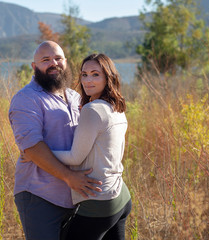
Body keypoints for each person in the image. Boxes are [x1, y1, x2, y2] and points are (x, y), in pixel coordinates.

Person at [8, 41, 102, 240]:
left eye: (58, 58)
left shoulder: (75, 97)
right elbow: (32, 147)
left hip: (75, 195)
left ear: (66, 62)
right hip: (39, 195)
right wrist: (69, 177)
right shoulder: (26, 99)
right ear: (34, 67)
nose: (54, 63)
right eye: (45, 60)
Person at [52, 53, 132, 240]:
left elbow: (74, 158)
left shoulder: (93, 110)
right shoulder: (116, 107)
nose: (88, 80)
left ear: (108, 77)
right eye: (84, 74)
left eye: (95, 74)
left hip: (99, 201)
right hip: (121, 196)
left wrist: (38, 152)